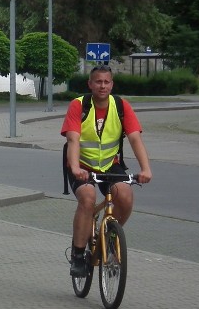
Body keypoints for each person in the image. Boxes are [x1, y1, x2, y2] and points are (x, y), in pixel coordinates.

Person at [61, 65, 153, 277]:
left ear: (112, 84)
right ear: (90, 84)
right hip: (82, 165)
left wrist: (145, 169)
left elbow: (135, 138)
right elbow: (73, 139)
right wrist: (75, 168)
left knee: (126, 196)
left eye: (106, 82)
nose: (102, 86)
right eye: (98, 82)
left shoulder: (120, 105)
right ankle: (77, 255)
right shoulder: (79, 105)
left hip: (110, 164)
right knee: (87, 197)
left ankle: (110, 237)